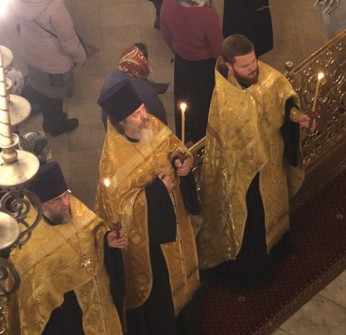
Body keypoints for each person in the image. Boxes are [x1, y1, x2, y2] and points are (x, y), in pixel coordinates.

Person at [0, 162, 126, 335]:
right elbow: (28, 289)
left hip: (95, 300)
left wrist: (107, 241)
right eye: (57, 201)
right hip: (60, 320)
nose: (65, 203)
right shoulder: (28, 240)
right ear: (41, 204)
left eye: (65, 195)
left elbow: (94, 230)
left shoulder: (74, 208)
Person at [96, 79, 206, 335]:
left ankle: (190, 325)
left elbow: (175, 147)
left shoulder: (153, 125)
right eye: (137, 115)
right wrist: (157, 191)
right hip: (151, 238)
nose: (145, 116)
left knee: (185, 270)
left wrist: (181, 161)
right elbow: (120, 209)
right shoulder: (113, 160)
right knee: (163, 287)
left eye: (143, 108)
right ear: (122, 123)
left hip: (177, 218)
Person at [197, 34, 310, 289]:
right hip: (248, 173)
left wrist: (295, 116)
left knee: (277, 202)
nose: (253, 68)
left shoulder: (267, 76)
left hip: (273, 159)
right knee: (256, 219)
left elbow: (283, 100)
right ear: (230, 66)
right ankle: (259, 271)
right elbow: (226, 143)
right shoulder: (224, 98)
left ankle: (279, 248)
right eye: (245, 65)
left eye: (254, 60)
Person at [9, 0, 86, 136]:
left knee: (38, 84)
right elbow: (68, 40)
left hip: (31, 51)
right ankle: (55, 125)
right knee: (54, 95)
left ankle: (29, 104)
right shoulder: (54, 6)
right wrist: (81, 57)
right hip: (53, 60)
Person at [160, 0, 223, 144]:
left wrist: (178, 51)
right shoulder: (207, 15)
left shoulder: (168, 4)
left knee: (185, 101)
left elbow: (166, 35)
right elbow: (218, 50)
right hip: (204, 68)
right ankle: (202, 140)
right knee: (203, 105)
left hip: (182, 64)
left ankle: (186, 135)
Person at [100, 44, 169, 128]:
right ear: (143, 64)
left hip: (115, 132)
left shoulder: (110, 80)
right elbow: (161, 127)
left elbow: (105, 117)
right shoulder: (148, 97)